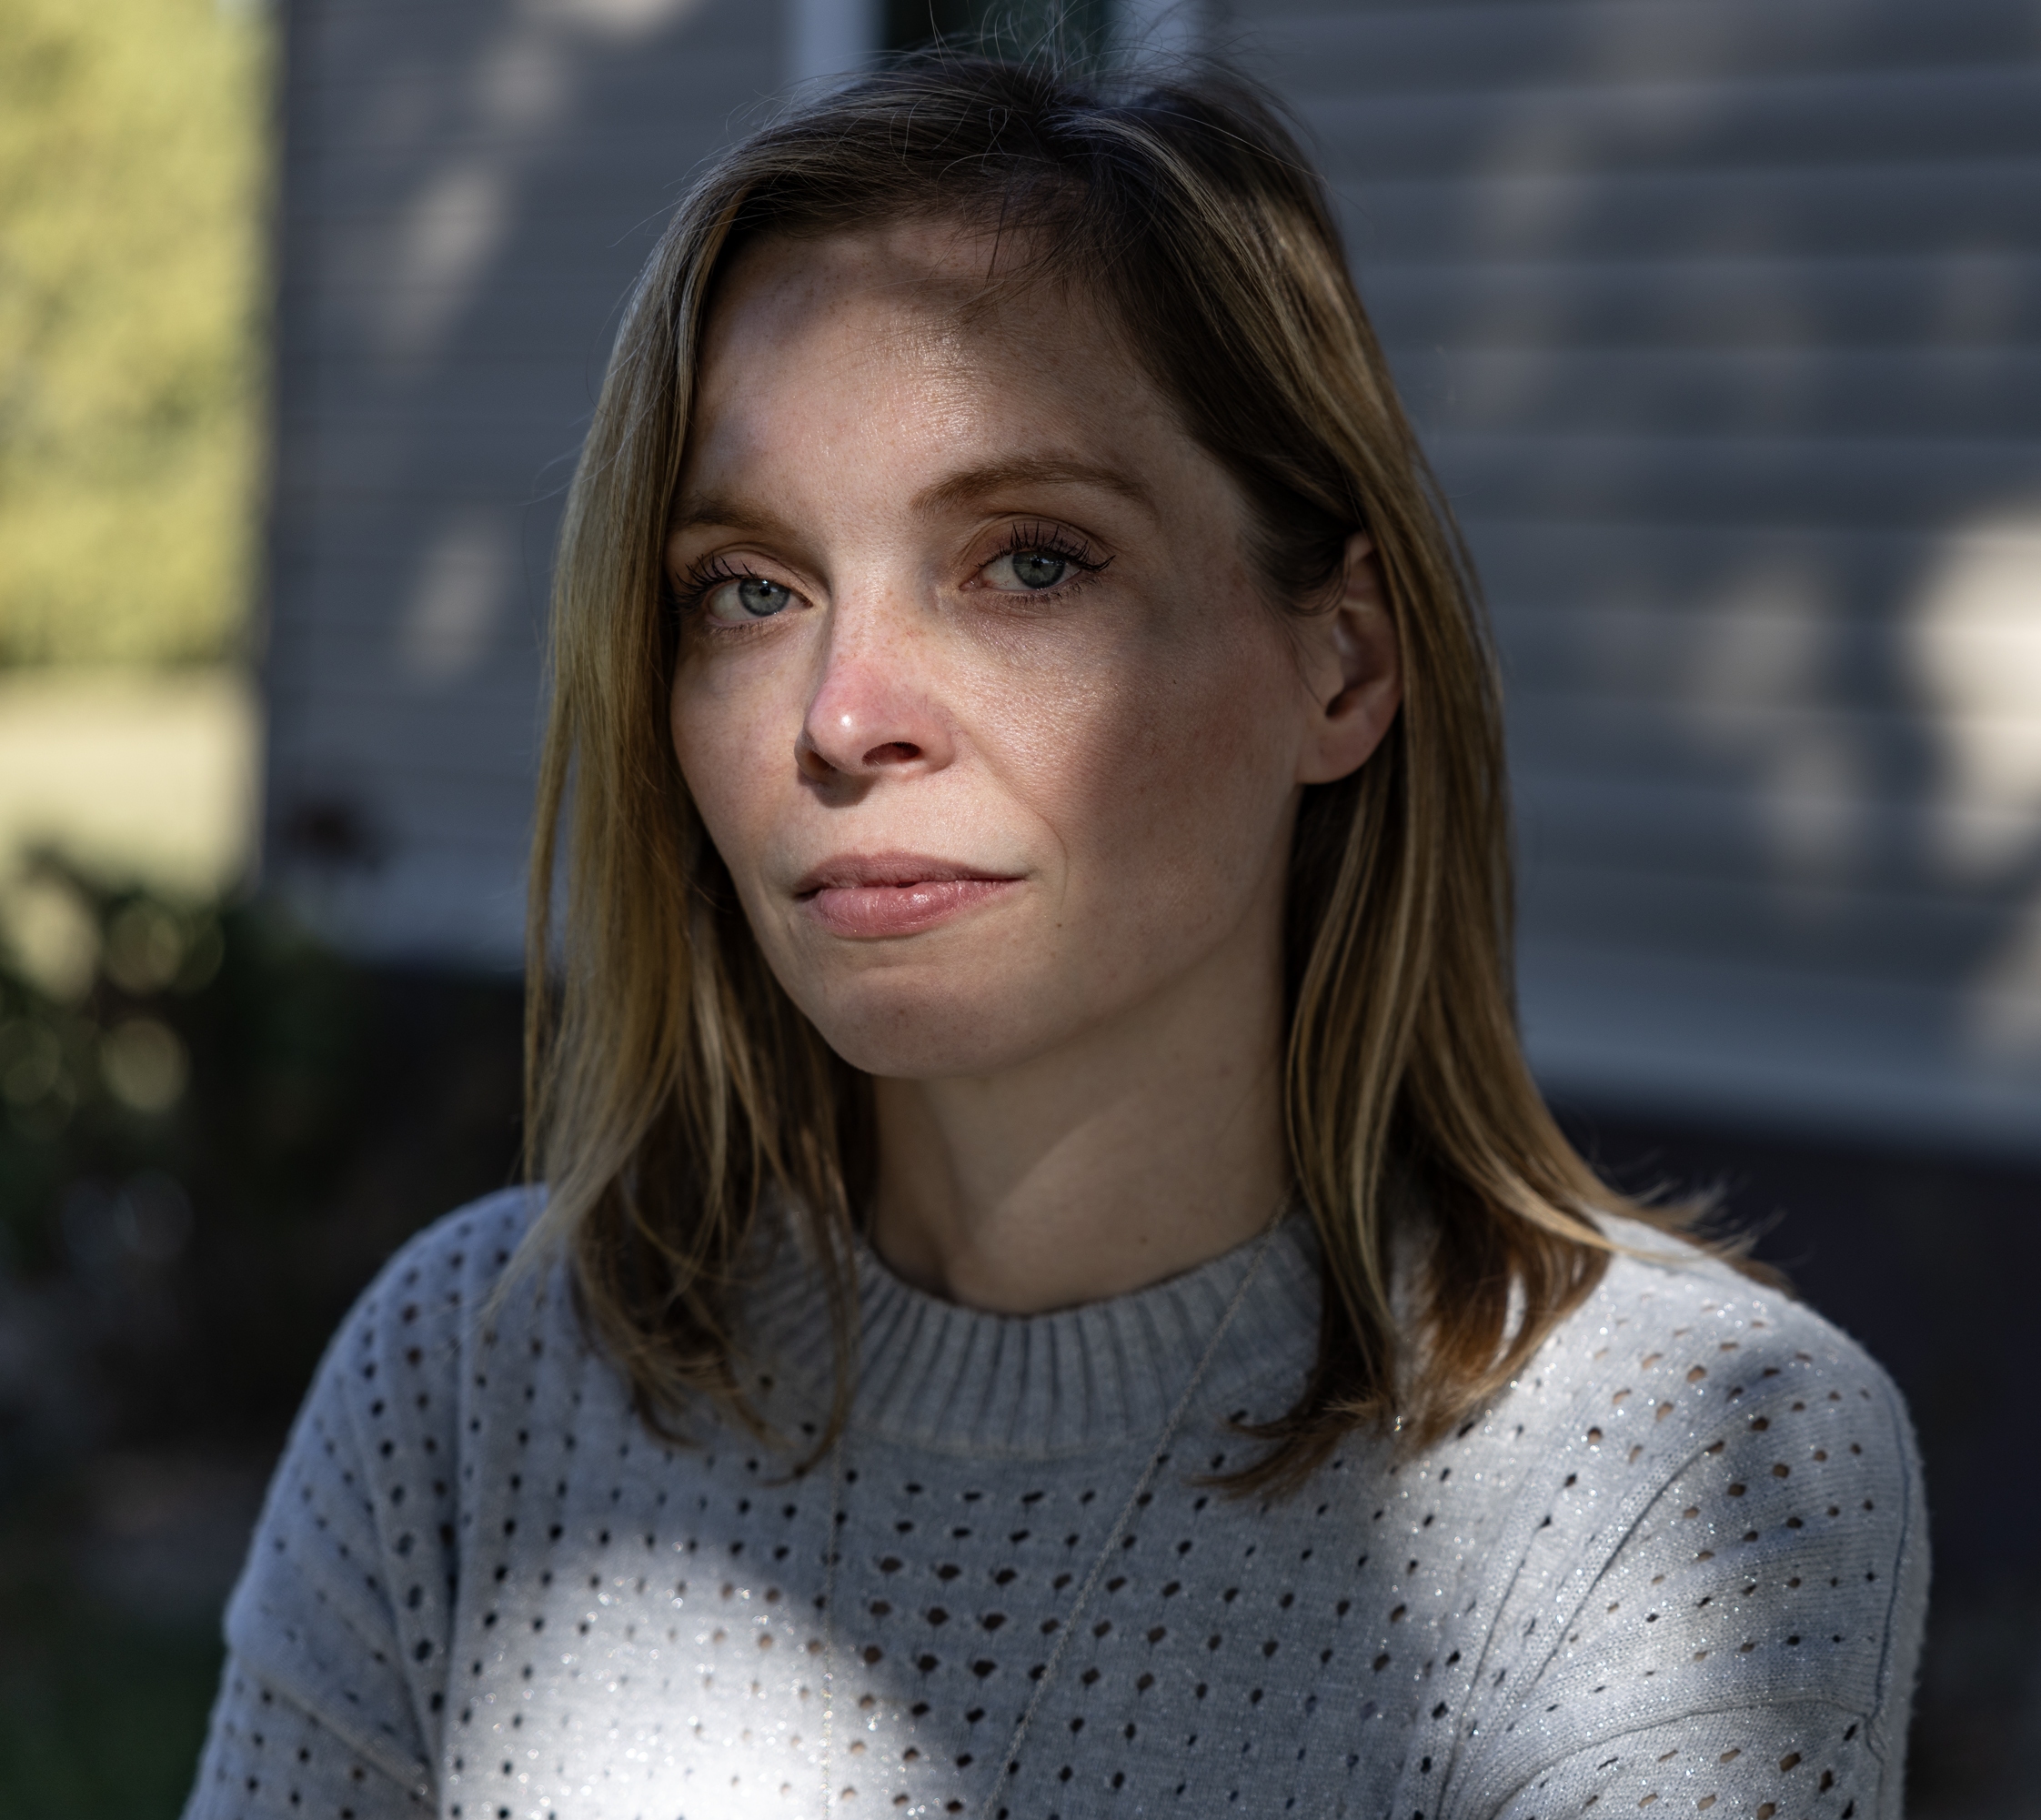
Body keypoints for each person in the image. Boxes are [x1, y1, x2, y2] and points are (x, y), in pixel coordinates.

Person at [185, 55, 1925, 1820]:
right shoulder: (470, 1381)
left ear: (1340, 662)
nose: (843, 715)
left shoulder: (1684, 1463)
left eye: (1027, 561)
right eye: (750, 588)